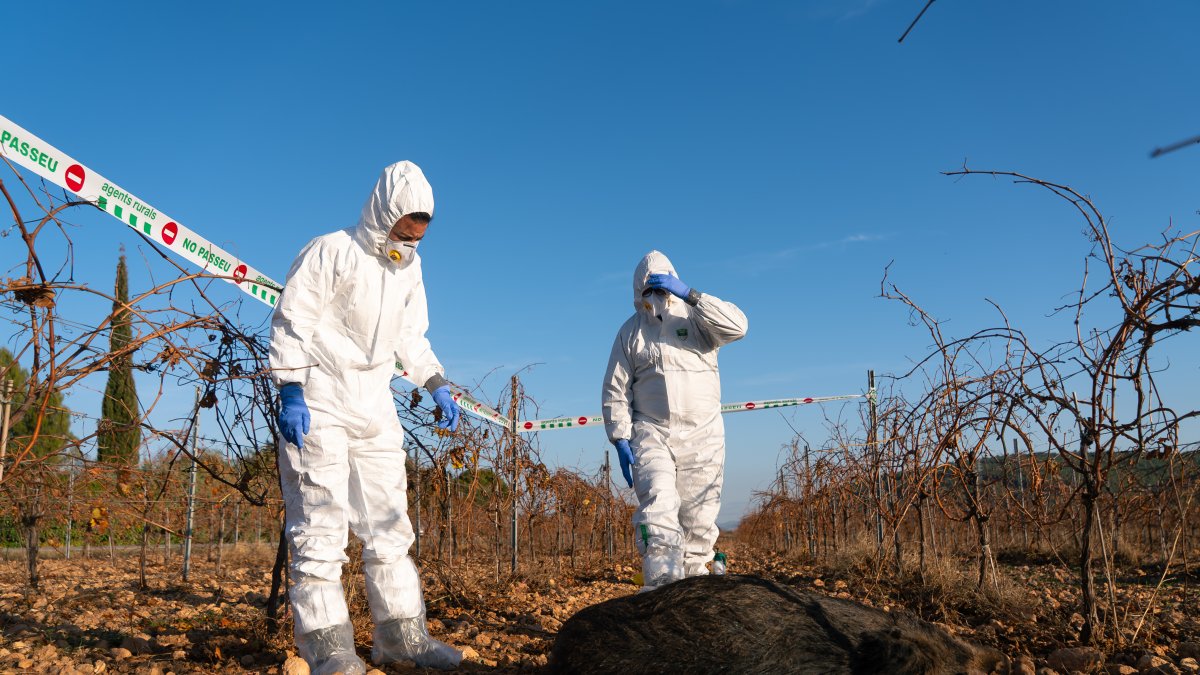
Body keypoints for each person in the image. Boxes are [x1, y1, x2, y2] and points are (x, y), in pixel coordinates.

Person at [269, 161, 463, 674]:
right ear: (383, 215)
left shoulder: (409, 268)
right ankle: (327, 650)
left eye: (418, 237)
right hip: (322, 398)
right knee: (320, 524)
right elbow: (294, 319)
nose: (408, 244)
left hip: (375, 403)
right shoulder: (330, 251)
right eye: (403, 233)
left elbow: (410, 337)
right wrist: (291, 388)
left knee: (389, 523)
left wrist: (436, 382)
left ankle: (402, 638)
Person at [601, 250, 748, 591]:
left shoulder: (698, 319)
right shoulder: (631, 332)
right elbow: (615, 388)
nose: (658, 296)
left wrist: (692, 295)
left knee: (699, 516)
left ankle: (694, 585)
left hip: (704, 435)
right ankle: (661, 586)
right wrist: (620, 438)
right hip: (652, 432)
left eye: (663, 288)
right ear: (638, 291)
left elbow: (739, 327)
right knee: (660, 504)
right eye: (649, 289)